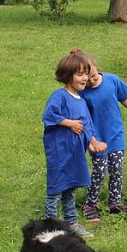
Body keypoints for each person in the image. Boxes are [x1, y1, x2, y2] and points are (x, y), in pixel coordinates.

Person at [41, 50, 106, 239]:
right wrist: (69, 123)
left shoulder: (82, 101)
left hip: (75, 154)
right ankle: (50, 227)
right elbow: (50, 115)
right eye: (80, 74)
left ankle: (71, 224)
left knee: (70, 188)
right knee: (55, 189)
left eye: (86, 73)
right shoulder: (59, 96)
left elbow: (87, 126)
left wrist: (93, 141)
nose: (85, 78)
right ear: (67, 75)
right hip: (59, 153)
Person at [80, 55, 127, 222]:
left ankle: (115, 202)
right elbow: (82, 118)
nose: (91, 82)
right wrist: (90, 139)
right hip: (97, 139)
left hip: (116, 135)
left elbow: (125, 97)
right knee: (99, 171)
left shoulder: (112, 80)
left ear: (96, 65)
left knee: (117, 170)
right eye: (86, 79)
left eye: (92, 76)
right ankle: (90, 204)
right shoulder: (82, 93)